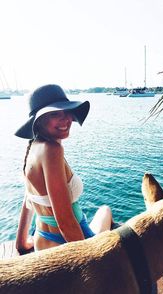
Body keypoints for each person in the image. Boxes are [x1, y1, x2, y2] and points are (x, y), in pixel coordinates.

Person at [15, 84, 114, 252]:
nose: (66, 119)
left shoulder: (34, 147)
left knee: (104, 211)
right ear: (38, 121)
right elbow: (65, 222)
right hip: (67, 243)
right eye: (55, 114)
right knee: (105, 210)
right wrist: (90, 257)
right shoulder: (52, 150)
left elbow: (29, 200)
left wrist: (21, 243)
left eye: (67, 111)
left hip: (42, 239)